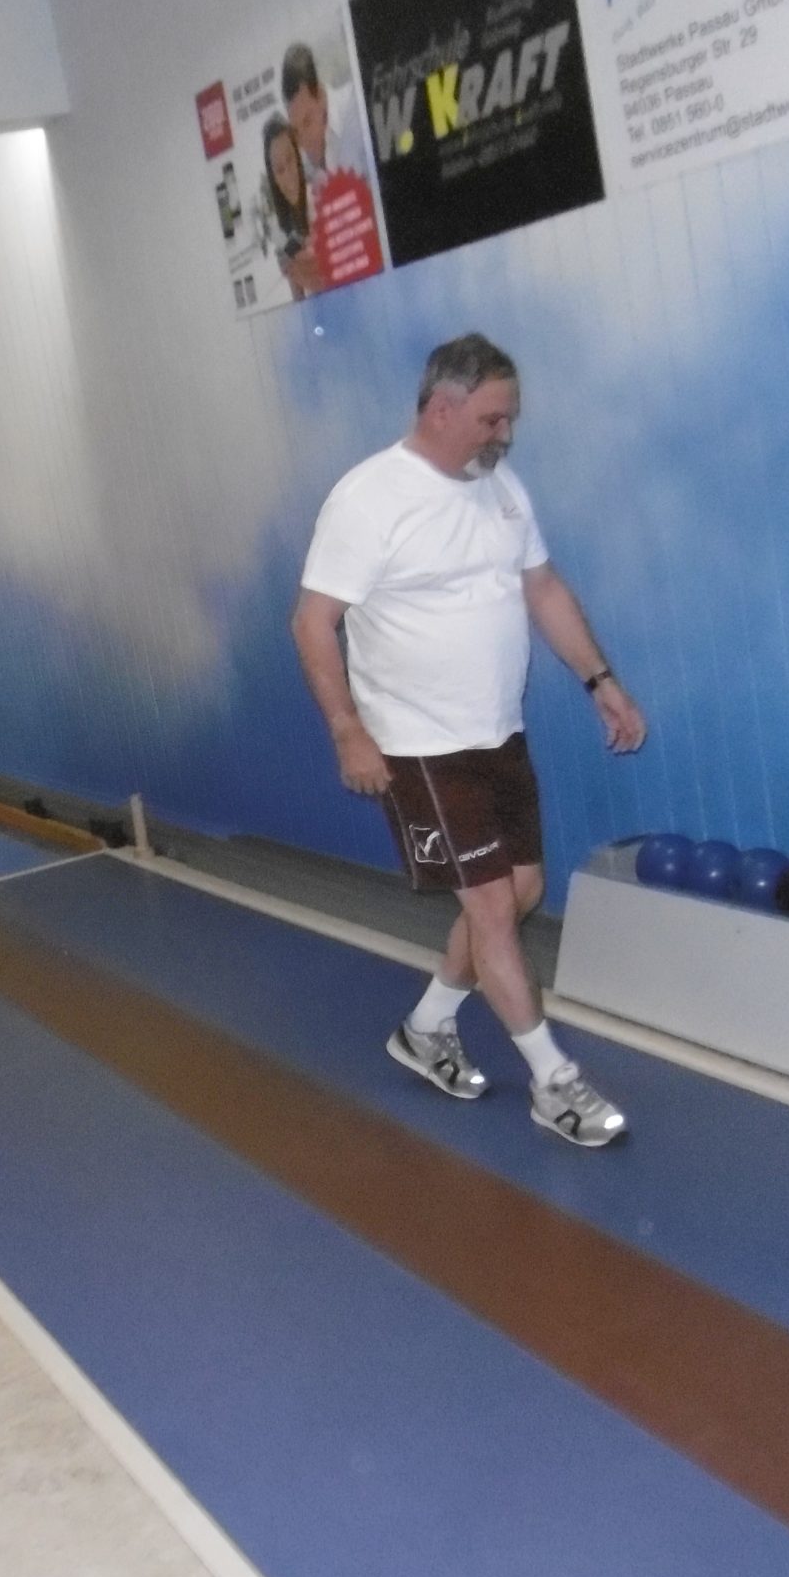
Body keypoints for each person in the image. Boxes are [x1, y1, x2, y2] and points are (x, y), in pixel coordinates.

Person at [292, 333, 647, 1148]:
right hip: (418, 743)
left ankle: (426, 1029)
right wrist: (348, 731)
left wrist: (601, 681)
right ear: (442, 409)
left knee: (519, 893)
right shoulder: (370, 498)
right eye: (493, 419)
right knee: (489, 906)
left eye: (509, 419)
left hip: (497, 732)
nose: (505, 434)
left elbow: (543, 588)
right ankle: (553, 1082)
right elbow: (312, 622)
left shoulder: (500, 486)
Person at [281, 41, 372, 191]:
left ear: (320, 95)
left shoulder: (358, 107)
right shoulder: (304, 168)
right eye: (296, 132)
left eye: (307, 122)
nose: (304, 142)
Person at [259, 113, 322, 299]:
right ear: (274, 179)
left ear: (298, 156)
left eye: (290, 159)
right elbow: (299, 300)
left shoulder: (320, 198)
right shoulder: (284, 231)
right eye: (279, 170)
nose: (289, 176)